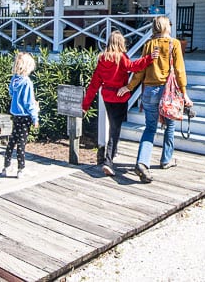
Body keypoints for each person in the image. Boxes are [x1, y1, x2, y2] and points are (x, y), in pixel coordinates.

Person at [118, 15, 191, 183]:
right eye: (169, 24)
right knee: (170, 125)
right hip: (167, 92)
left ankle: (142, 162)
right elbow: (180, 71)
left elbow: (140, 70)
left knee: (150, 128)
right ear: (165, 27)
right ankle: (166, 159)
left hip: (149, 91)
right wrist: (185, 93)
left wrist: (129, 87)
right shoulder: (174, 44)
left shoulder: (149, 44)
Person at [82, 31, 158, 177]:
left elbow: (93, 85)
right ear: (120, 43)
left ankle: (112, 153)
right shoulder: (121, 58)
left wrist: (85, 105)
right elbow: (133, 66)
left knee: (113, 125)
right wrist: (149, 58)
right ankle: (108, 162)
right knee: (115, 130)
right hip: (120, 97)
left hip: (107, 97)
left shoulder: (102, 59)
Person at [2, 52, 39, 178]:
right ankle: (21, 169)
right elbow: (29, 103)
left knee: (12, 140)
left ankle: (6, 167)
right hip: (25, 116)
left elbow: (12, 93)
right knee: (22, 143)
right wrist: (35, 117)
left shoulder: (14, 79)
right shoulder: (27, 82)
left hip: (16, 115)